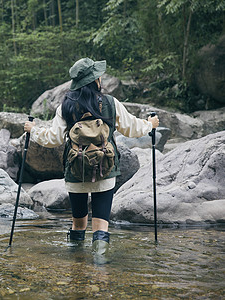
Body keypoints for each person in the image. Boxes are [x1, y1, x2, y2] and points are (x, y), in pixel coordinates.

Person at [24, 58, 159, 258]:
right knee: (100, 225)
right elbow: (132, 129)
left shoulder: (66, 107)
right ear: (95, 80)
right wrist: (150, 124)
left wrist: (33, 130)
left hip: (75, 172)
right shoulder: (111, 103)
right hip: (105, 171)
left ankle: (76, 264)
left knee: (78, 223)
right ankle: (99, 267)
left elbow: (52, 138)